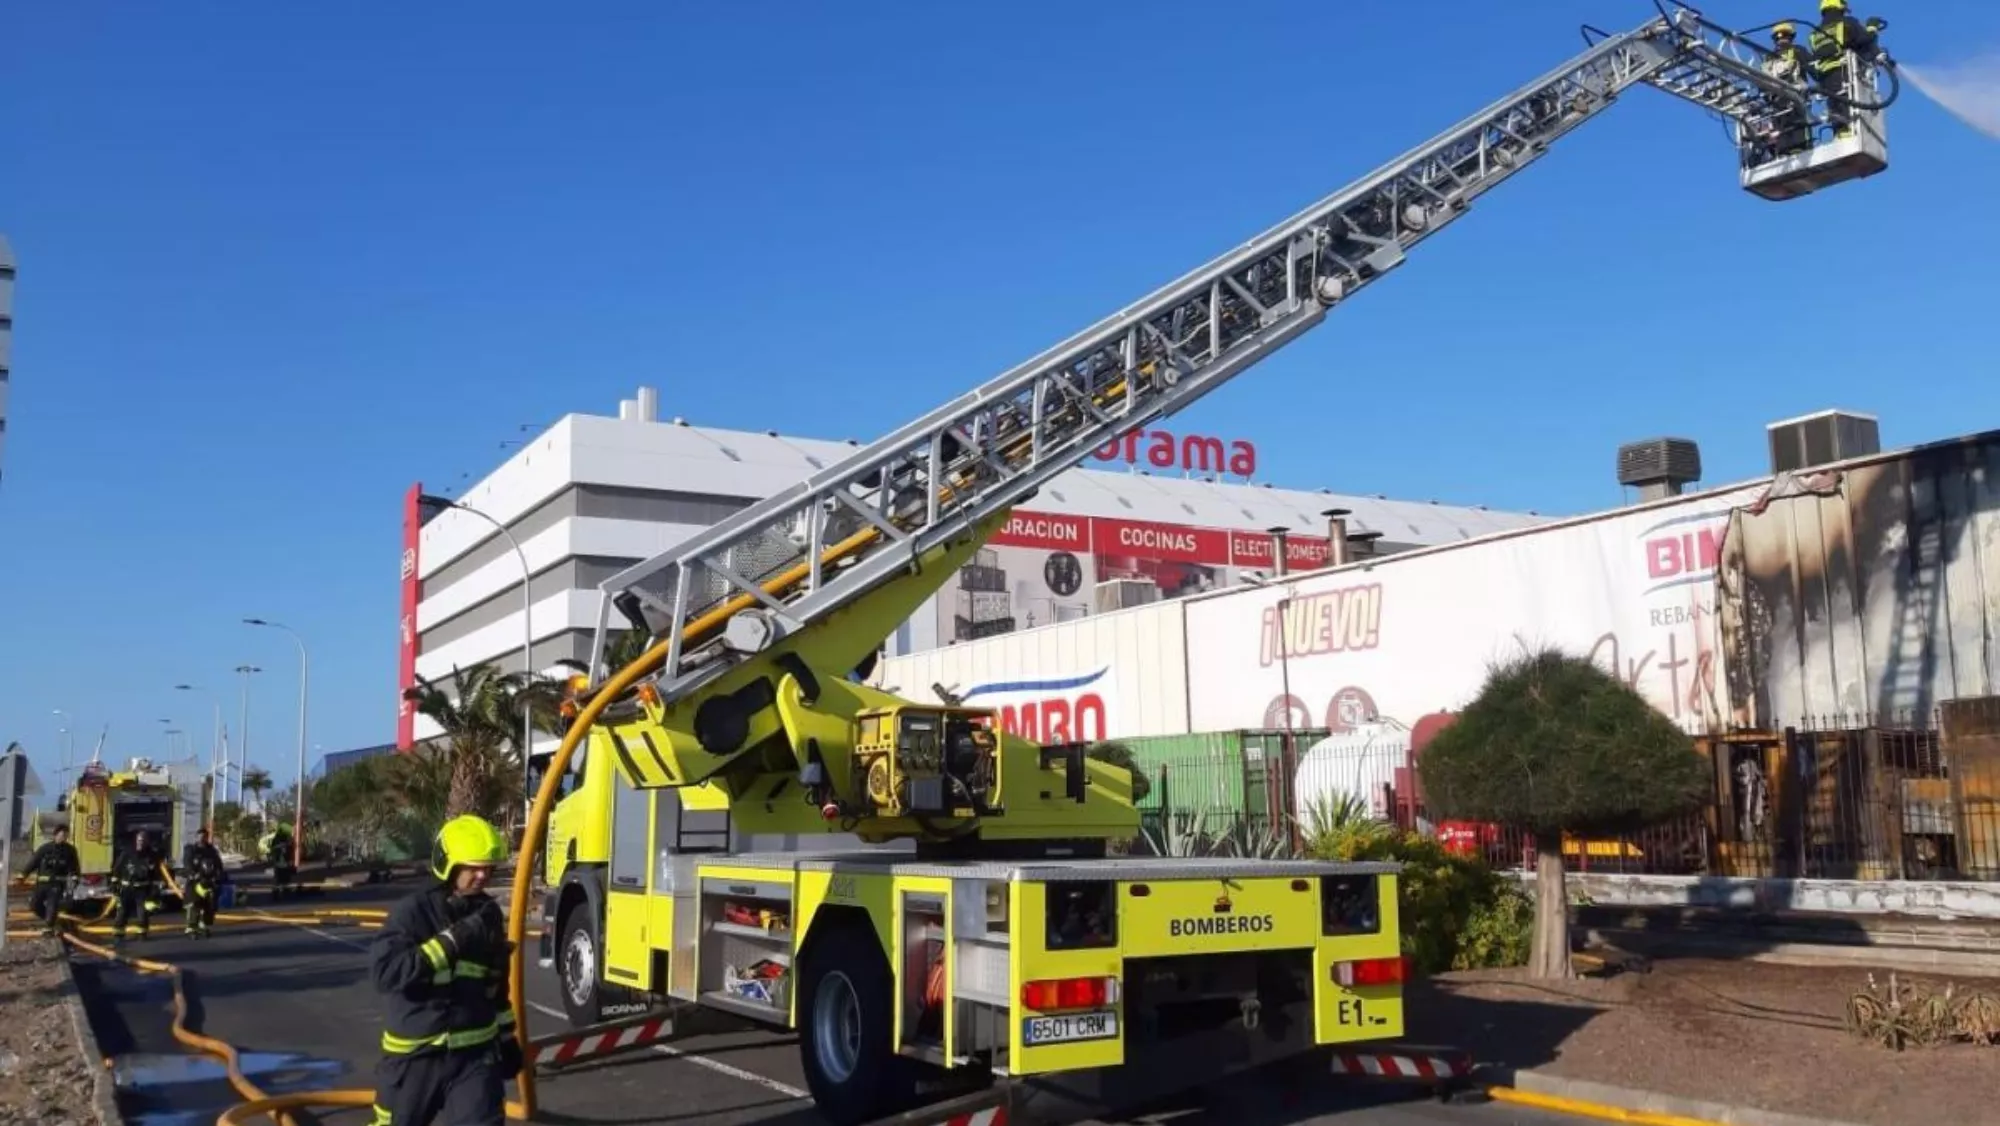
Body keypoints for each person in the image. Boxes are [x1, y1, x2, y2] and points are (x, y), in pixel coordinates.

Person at [368, 814, 521, 1126]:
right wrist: (452, 942)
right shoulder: (413, 913)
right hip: (415, 1059)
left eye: (487, 868)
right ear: (448, 864)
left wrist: (507, 1038)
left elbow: (495, 986)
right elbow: (387, 973)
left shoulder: (487, 913)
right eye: (472, 867)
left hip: (474, 1058)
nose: (482, 876)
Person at [1808, 0, 1884, 138]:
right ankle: (1850, 135)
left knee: (1837, 113)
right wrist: (1872, 29)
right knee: (1849, 110)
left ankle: (1840, 135)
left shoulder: (1814, 33)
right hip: (1845, 73)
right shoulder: (1847, 22)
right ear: (1841, 6)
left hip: (1826, 80)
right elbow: (1864, 40)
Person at [1759, 22, 1815, 158]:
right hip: (1797, 98)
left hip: (1777, 101)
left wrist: (1767, 98)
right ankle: (1800, 150)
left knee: (1781, 127)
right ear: (1791, 36)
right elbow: (1814, 70)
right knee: (1800, 127)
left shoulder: (1768, 57)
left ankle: (1784, 153)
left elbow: (1762, 82)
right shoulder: (1798, 51)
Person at [22, 825, 81, 935]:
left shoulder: (70, 851)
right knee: (34, 905)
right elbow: (33, 863)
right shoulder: (45, 849)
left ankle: (49, 926)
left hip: (57, 884)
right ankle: (52, 921)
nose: (64, 838)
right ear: (55, 835)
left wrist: (75, 879)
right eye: (62, 835)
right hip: (42, 884)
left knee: (52, 904)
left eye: (66, 835)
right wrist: (23, 874)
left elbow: (75, 868)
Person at [110, 830, 163, 944]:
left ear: (147, 842)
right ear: (136, 840)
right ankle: (119, 934)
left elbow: (156, 873)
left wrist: (156, 888)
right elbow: (117, 869)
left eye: (143, 840)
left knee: (142, 913)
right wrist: (114, 884)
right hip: (126, 888)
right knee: (122, 911)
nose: (141, 842)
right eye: (139, 840)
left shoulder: (152, 855)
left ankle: (141, 933)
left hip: (143, 889)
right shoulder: (127, 853)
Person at [181, 828, 227, 938]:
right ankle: (191, 928)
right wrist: (192, 874)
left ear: (207, 838)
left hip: (209, 882)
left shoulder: (211, 851)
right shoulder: (191, 850)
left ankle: (203, 925)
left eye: (204, 837)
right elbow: (187, 863)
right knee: (194, 905)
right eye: (200, 837)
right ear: (196, 838)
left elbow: (218, 865)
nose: (202, 839)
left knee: (209, 904)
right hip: (195, 882)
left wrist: (219, 876)